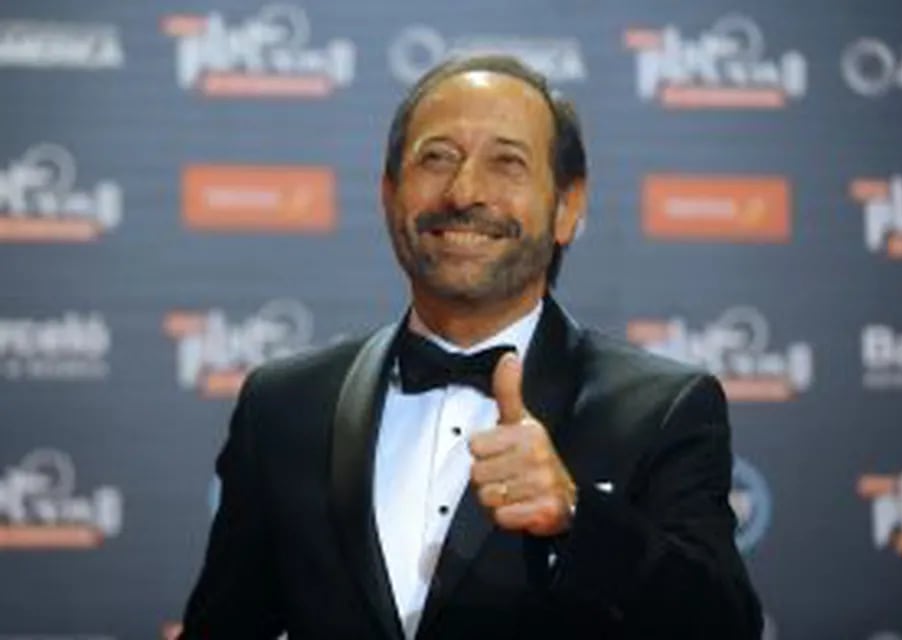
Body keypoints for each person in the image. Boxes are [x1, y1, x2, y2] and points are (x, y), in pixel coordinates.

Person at [178, 54, 762, 639]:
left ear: (568, 207)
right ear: (388, 194)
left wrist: (578, 519)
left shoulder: (662, 410)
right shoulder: (283, 405)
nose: (464, 191)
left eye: (507, 162)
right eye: (437, 158)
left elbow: (724, 626)